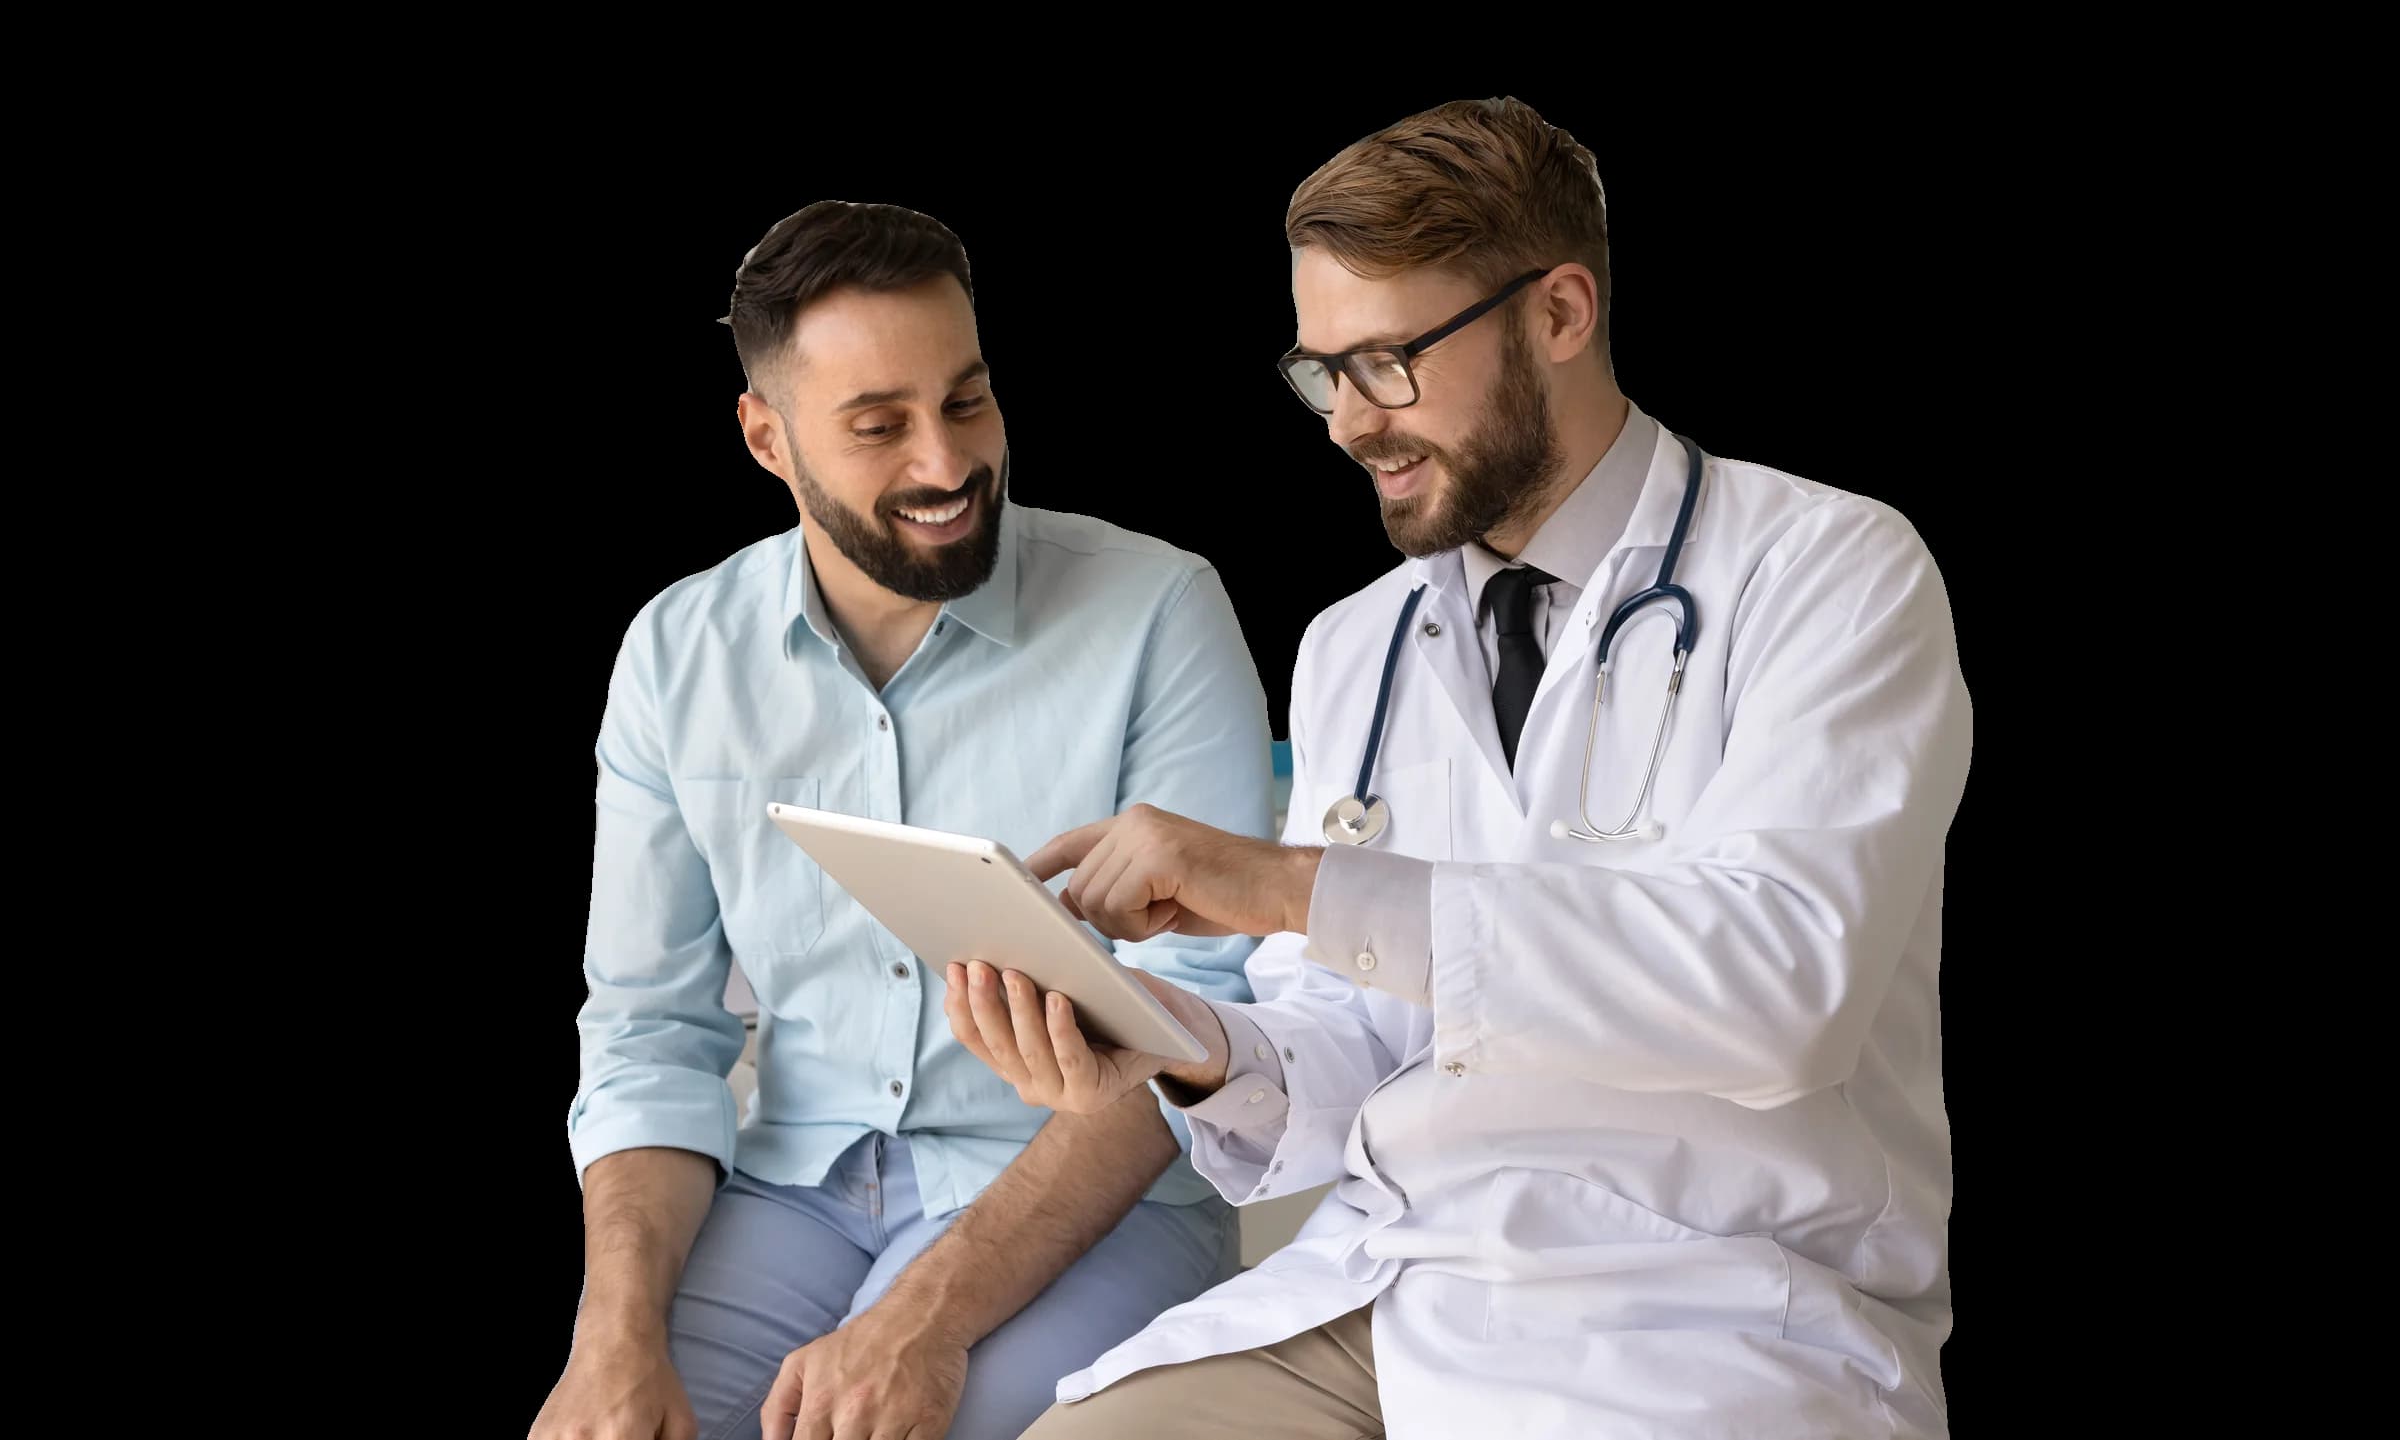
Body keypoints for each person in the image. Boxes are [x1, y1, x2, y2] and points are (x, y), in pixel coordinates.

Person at [949, 97, 1974, 1438]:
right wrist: (1174, 1044)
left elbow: (1782, 987)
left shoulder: (1830, 573)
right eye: (1321, 372)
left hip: (1700, 1310)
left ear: (1558, 314)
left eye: (1387, 362)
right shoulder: (1352, 648)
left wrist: (1301, 883)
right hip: (1389, 1290)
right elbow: (1347, 1043)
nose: (1346, 425)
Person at [531, 200, 1271, 1440]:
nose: (945, 462)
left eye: (968, 400)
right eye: (878, 426)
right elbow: (651, 1031)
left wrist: (922, 1314)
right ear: (766, 437)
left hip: (1090, 1191)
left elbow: (1207, 1027)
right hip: (789, 1191)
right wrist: (609, 1332)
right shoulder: (676, 652)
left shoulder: (1159, 609)